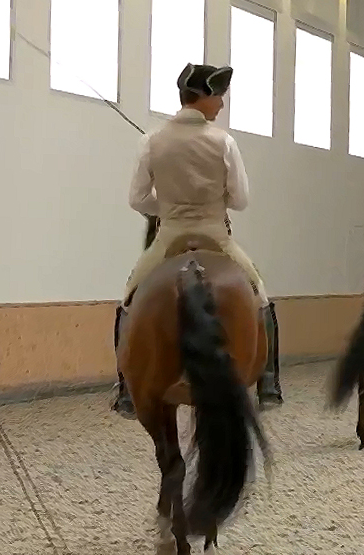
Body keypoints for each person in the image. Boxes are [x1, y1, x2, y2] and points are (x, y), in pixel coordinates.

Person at [111, 63, 282, 418]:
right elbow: (240, 200)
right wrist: (212, 201)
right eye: (218, 96)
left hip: (169, 234)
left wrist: (170, 206)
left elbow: (137, 199)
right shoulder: (224, 142)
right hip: (216, 236)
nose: (221, 104)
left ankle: (126, 387)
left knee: (128, 299)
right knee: (260, 295)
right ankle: (268, 381)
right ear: (203, 97)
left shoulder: (151, 140)